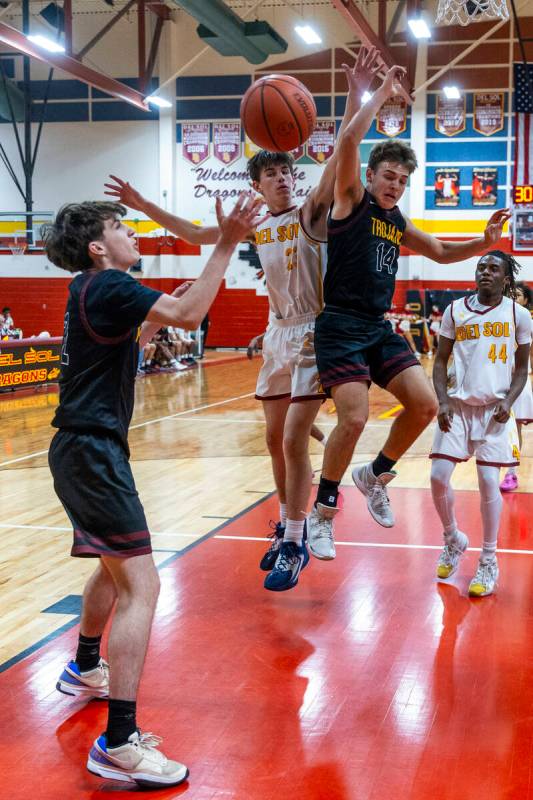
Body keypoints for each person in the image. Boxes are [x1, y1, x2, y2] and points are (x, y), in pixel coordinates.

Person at [105, 47, 383, 592]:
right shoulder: (255, 226)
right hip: (279, 333)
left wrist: (357, 92)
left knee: (294, 441)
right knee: (274, 439)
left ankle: (297, 536)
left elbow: (343, 149)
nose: (283, 179)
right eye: (273, 174)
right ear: (258, 186)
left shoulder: (311, 212)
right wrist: (141, 202)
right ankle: (289, 519)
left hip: (313, 334)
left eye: (286, 171)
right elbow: (191, 234)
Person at [46, 194, 263, 787]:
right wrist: (226, 242)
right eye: (121, 226)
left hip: (84, 448)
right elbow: (191, 317)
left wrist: (158, 316)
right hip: (90, 449)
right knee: (143, 583)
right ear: (97, 246)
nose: (133, 233)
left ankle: (87, 667)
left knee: (112, 569)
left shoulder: (85, 292)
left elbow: (134, 337)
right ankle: (118, 742)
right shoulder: (108, 285)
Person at [308, 62, 512, 555]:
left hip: (376, 328)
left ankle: (374, 475)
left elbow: (440, 252)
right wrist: (378, 93)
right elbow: (347, 147)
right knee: (353, 418)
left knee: (424, 405)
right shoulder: (351, 198)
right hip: (339, 324)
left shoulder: (396, 219)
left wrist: (483, 244)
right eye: (389, 176)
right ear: (370, 175)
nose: (394, 185)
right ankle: (323, 511)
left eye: (402, 180)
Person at [430, 251, 531, 596]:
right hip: (457, 406)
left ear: (506, 278)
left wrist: (509, 400)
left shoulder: (519, 314)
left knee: (489, 481)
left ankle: (488, 559)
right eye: (481, 267)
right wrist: (442, 400)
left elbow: (521, 369)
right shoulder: (455, 310)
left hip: (494, 410)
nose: (485, 272)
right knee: (437, 476)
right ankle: (452, 538)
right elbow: (440, 361)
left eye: (493, 268)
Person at [500, 280, 533, 491]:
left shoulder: (528, 321)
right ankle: (491, 466)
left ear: (526, 300)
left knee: (515, 427)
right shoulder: (497, 317)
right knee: (494, 426)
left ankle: (511, 473)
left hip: (519, 379)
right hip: (496, 378)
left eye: (518, 295)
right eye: (511, 294)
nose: (513, 297)